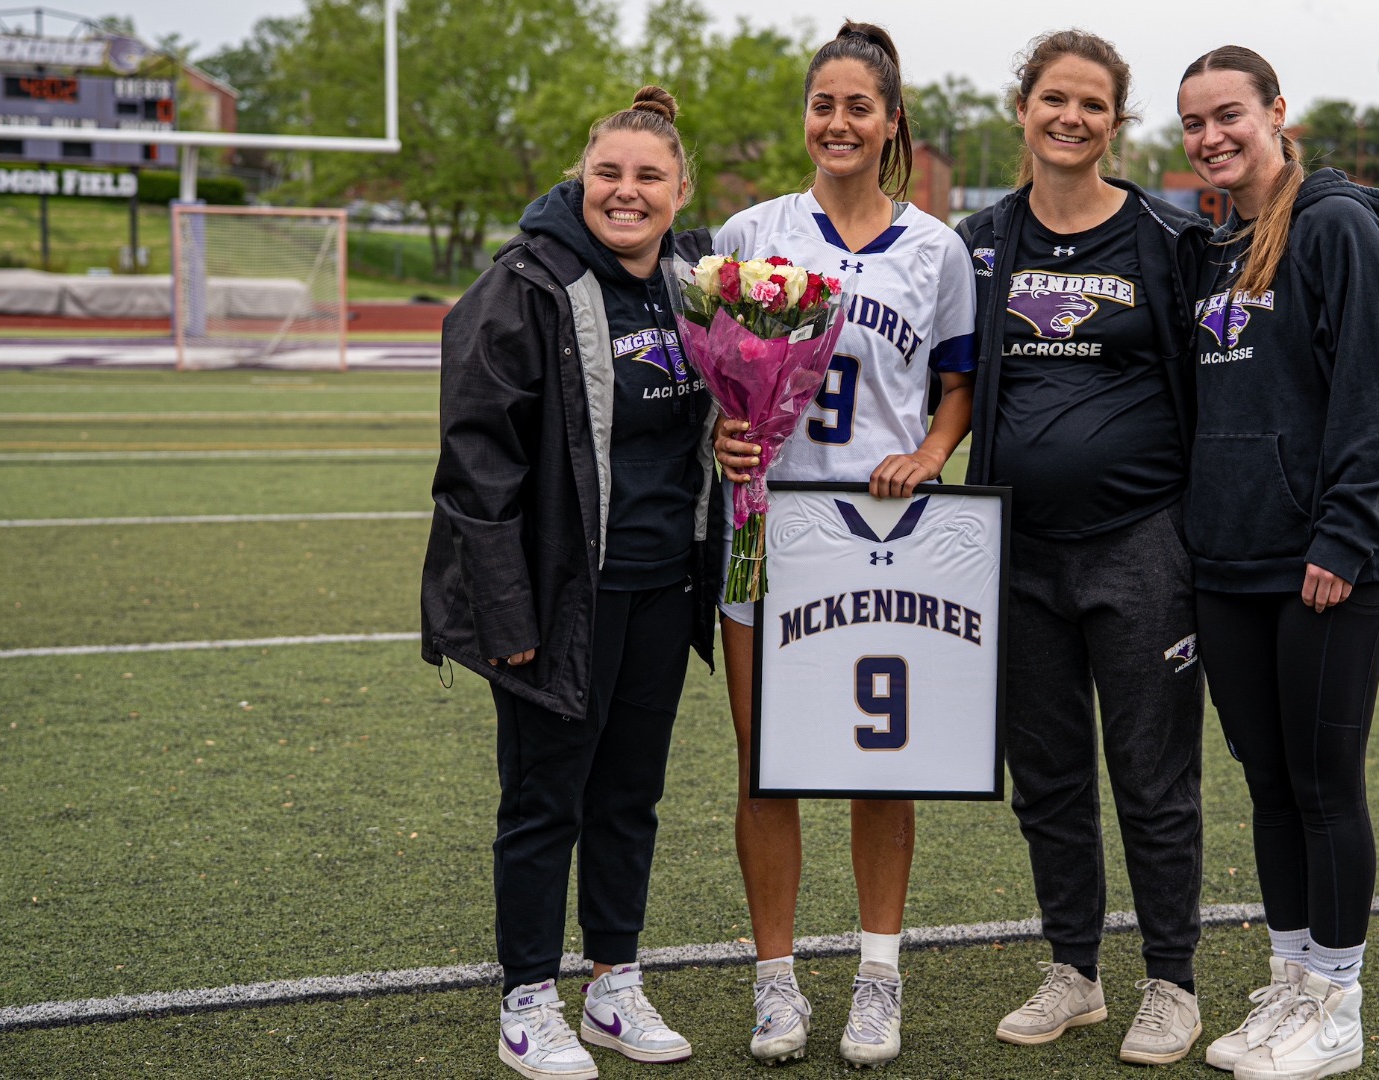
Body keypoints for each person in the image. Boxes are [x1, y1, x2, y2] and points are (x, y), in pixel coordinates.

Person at [420, 87, 721, 1080]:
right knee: (546, 800)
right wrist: (504, 613)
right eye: (608, 173)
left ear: (680, 187)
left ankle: (614, 985)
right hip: (558, 597)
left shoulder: (697, 282)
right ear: (579, 176)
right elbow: (476, 468)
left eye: (647, 176)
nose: (625, 192)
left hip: (657, 585)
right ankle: (526, 999)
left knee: (631, 796)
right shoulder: (524, 284)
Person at [709, 21, 976, 1068]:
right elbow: (716, 381)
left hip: (883, 535)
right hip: (764, 525)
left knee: (881, 762)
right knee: (764, 764)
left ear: (890, 119)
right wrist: (726, 432)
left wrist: (932, 451)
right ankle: (776, 984)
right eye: (824, 103)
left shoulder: (936, 248)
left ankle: (877, 977)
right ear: (806, 116)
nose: (838, 121)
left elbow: (955, 389)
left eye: (858, 105)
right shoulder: (748, 232)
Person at [954, 29, 1211, 1068]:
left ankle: (1171, 981)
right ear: (1023, 108)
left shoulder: (1166, 235)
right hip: (1015, 550)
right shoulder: (977, 240)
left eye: (1092, 105)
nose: (1070, 117)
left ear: (1116, 121)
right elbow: (942, 380)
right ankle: (1075, 969)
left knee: (1153, 774)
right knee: (1049, 774)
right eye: (1053, 98)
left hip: (1140, 544)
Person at [1176, 46, 1379, 1080]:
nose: (1213, 137)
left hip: (1324, 562)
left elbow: (1372, 392)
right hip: (1228, 558)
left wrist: (1345, 535)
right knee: (1267, 783)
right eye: (1194, 124)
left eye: (1230, 115)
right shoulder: (1217, 246)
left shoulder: (1336, 226)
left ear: (1277, 112)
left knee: (1324, 783)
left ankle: (1339, 1000)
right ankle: (1289, 981)